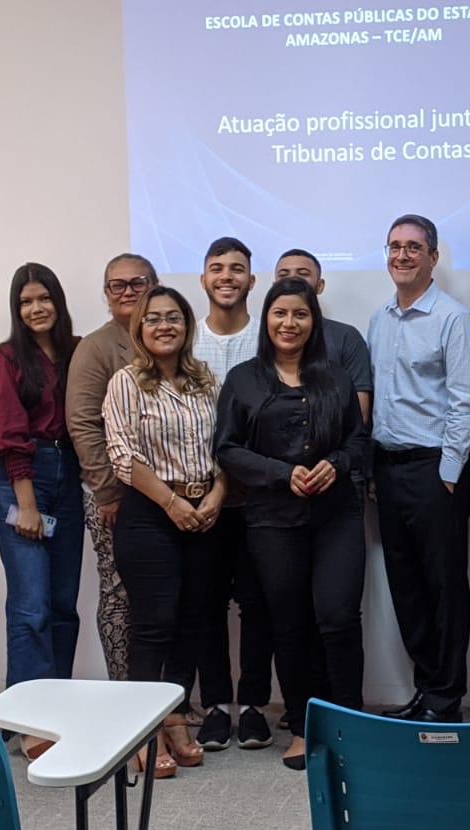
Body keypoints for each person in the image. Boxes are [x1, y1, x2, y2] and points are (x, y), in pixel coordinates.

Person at [214, 277, 369, 769]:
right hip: (272, 520)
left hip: (337, 515)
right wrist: (283, 474)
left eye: (300, 315)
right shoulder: (243, 379)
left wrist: (336, 464)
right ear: (266, 320)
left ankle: (350, 725)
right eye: (280, 314)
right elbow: (227, 449)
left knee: (339, 618)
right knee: (290, 624)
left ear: (313, 321)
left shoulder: (335, 378)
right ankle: (303, 727)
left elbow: (358, 441)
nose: (289, 323)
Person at [368, 213, 470, 723]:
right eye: (395, 246)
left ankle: (446, 698)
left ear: (433, 257)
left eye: (414, 247)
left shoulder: (453, 319)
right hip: (389, 471)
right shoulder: (379, 319)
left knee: (443, 587)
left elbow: (466, 401)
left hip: (437, 470)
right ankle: (424, 690)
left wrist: (450, 473)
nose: (402, 255)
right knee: (406, 586)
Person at [102, 285, 221, 776]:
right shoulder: (126, 382)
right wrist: (172, 502)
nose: (164, 326)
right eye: (153, 319)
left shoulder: (205, 380)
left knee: (190, 622)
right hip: (151, 512)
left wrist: (216, 496)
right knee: (153, 625)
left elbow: (228, 442)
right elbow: (124, 455)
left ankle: (174, 717)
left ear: (188, 326)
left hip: (205, 510)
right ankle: (141, 734)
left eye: (174, 317)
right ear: (139, 329)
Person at [0, 262, 84, 759]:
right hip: (22, 481)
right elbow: (7, 432)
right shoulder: (5, 357)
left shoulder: (79, 351)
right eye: (25, 301)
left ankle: (54, 708)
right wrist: (25, 502)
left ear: (58, 301)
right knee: (32, 605)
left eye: (43, 298)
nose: (36, 308)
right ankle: (29, 719)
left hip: (70, 476)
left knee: (64, 604)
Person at [190, 236, 274, 751]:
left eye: (237, 268)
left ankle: (258, 706)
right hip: (199, 499)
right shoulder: (185, 340)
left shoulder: (268, 344)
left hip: (262, 499)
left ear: (251, 279)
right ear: (203, 279)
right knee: (205, 604)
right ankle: (218, 705)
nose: (227, 276)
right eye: (217, 268)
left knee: (259, 604)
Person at [66, 253, 157, 681]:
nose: (127, 292)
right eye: (116, 285)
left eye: (136, 283)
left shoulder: (169, 335)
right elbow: (82, 422)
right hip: (114, 496)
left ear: (153, 286)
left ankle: (166, 699)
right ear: (106, 294)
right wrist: (107, 491)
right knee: (120, 593)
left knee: (164, 595)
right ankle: (125, 693)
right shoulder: (97, 347)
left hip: (167, 493)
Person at [273, 249, 374, 426]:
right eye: (284, 274)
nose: (293, 280)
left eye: (303, 274)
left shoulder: (346, 337)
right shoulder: (269, 337)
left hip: (333, 449)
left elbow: (360, 415)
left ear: (320, 285)